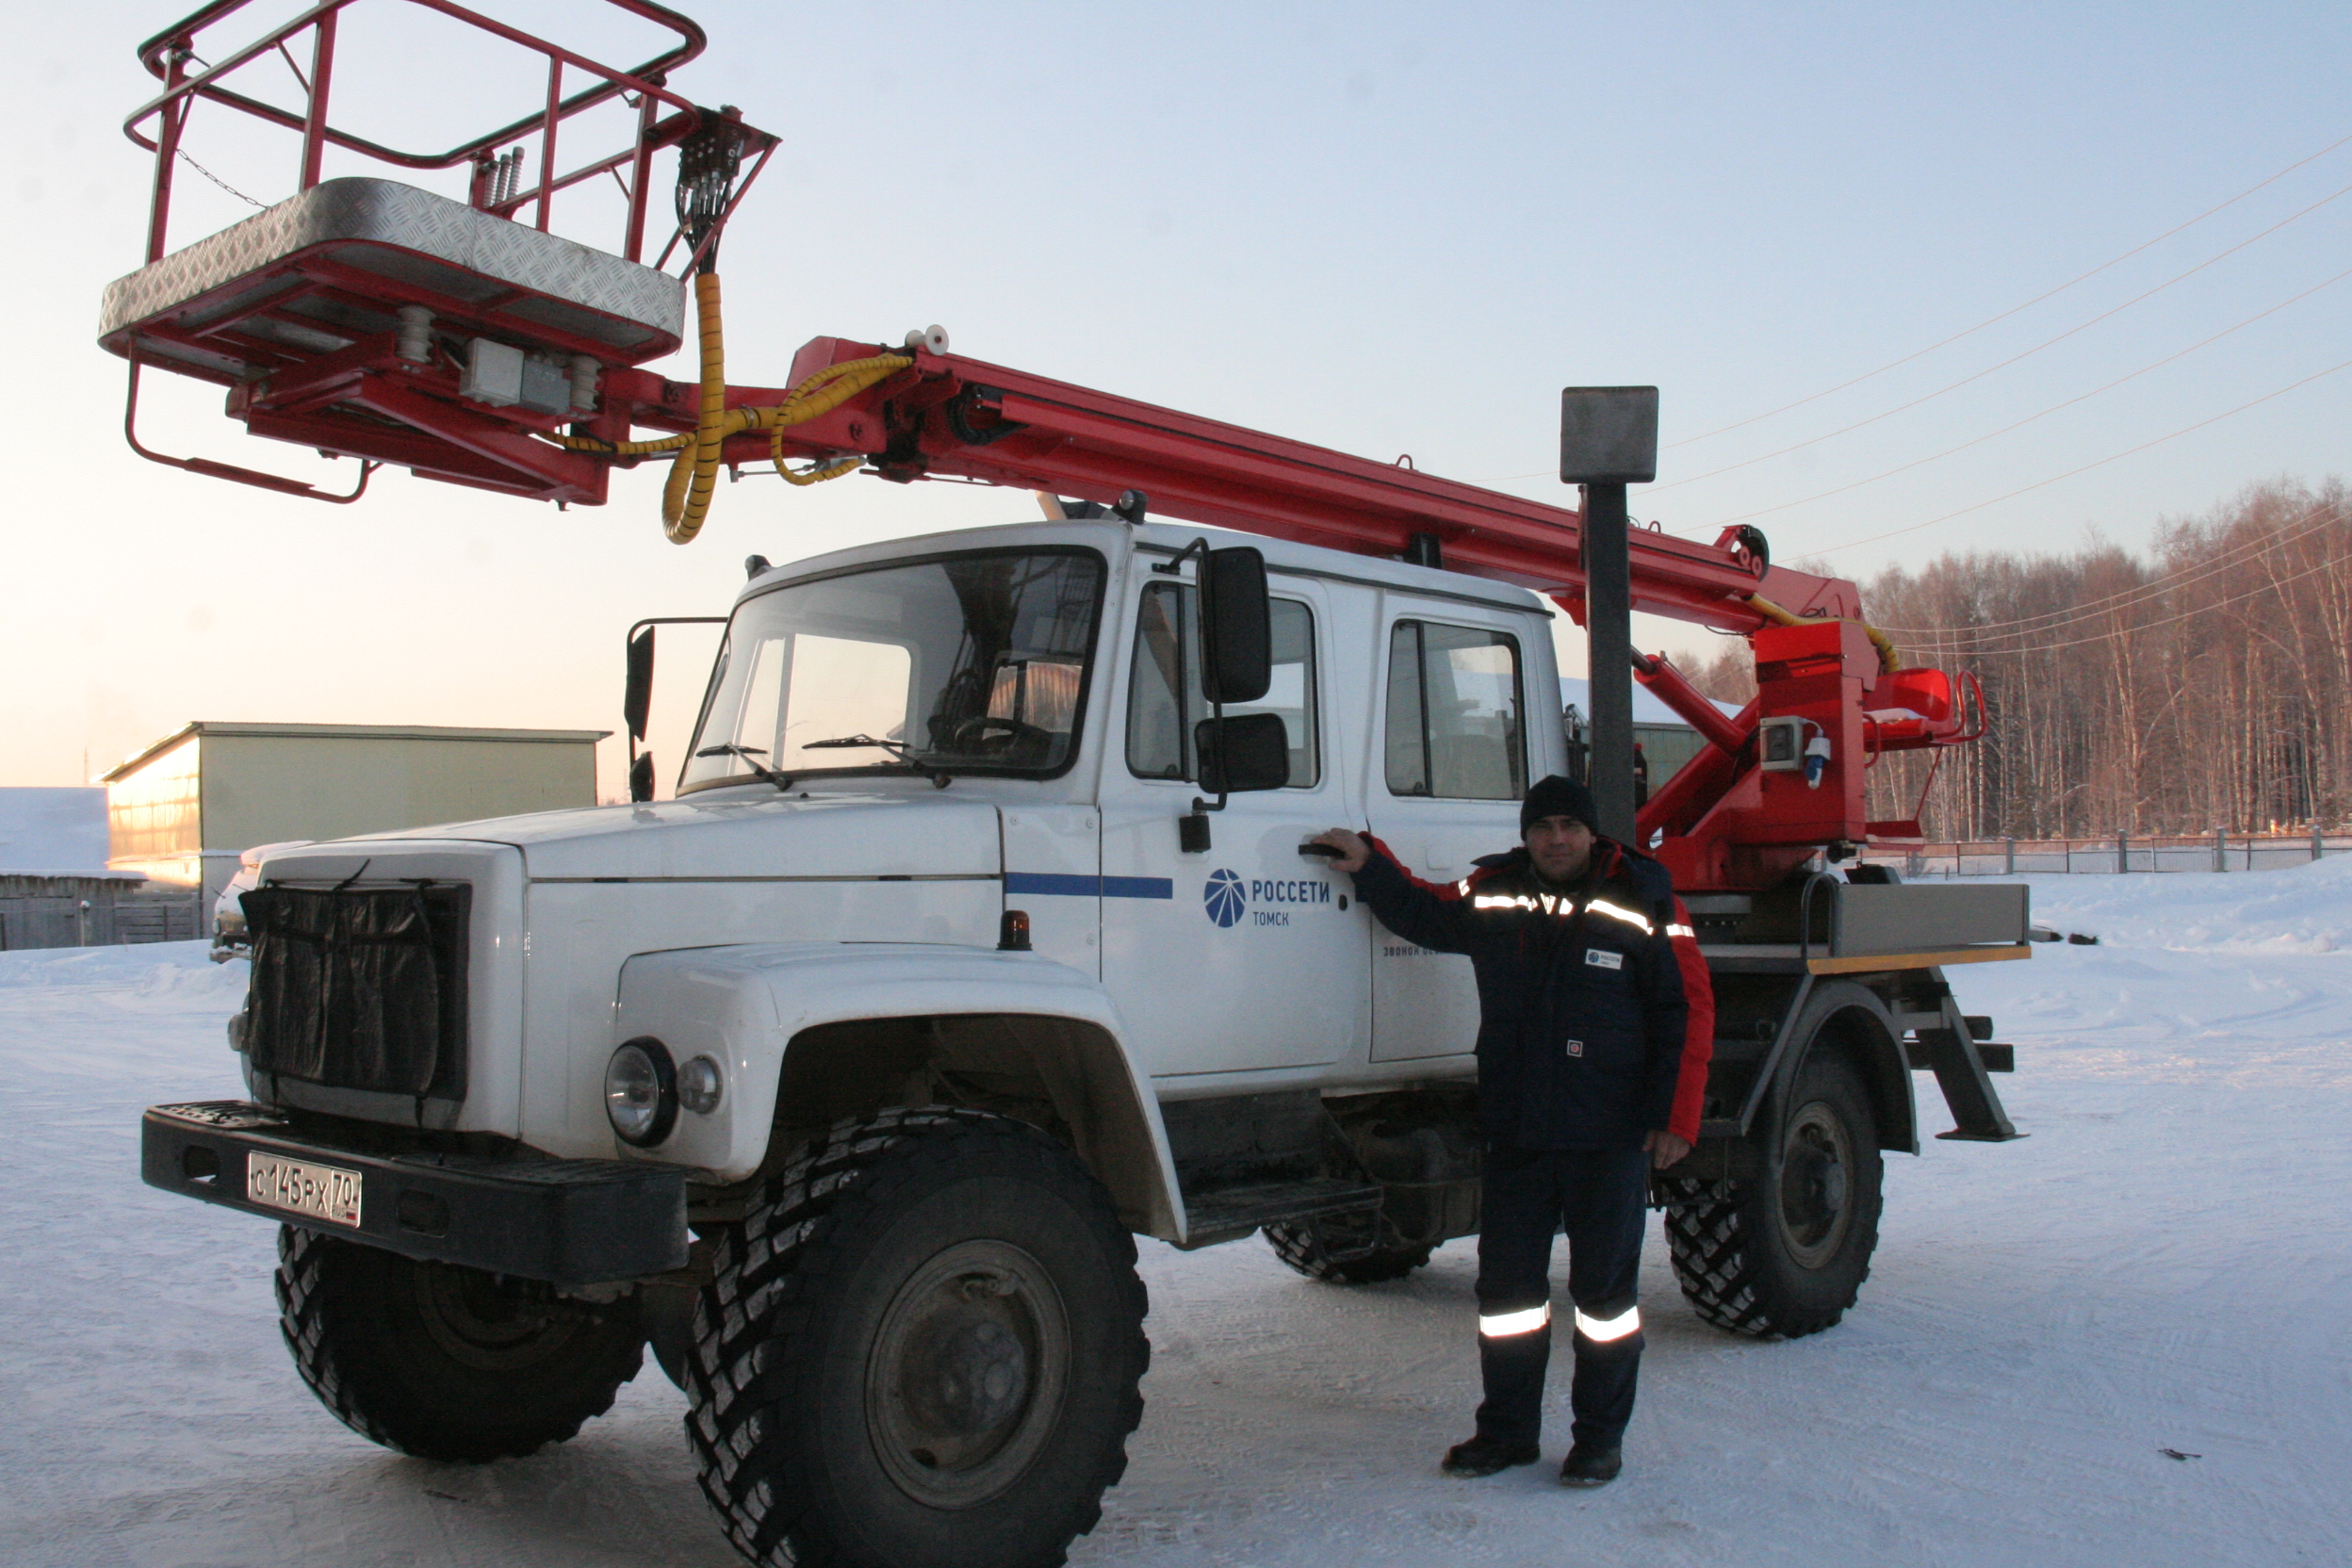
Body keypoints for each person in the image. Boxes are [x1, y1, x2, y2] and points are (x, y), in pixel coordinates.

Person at [1315, 775, 1712, 1488]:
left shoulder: (1648, 899)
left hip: (1608, 1136)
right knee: (1508, 1300)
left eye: (1568, 826)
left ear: (1592, 834)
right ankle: (1506, 1434)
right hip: (1521, 1133)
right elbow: (1426, 912)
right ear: (1526, 835)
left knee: (1604, 1305)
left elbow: (1685, 1009)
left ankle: (1598, 1441)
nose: (1556, 839)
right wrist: (1371, 864)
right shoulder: (1495, 893)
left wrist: (1675, 1118)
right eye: (1542, 827)